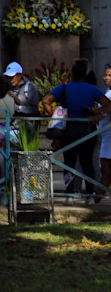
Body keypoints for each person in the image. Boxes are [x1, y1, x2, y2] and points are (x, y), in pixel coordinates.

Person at [43, 58, 111, 198]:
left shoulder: (64, 88)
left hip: (68, 130)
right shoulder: (92, 89)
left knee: (69, 163)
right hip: (87, 129)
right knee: (87, 163)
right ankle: (90, 195)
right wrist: (98, 114)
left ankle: (69, 195)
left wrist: (56, 116)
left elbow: (46, 101)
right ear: (84, 75)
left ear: (72, 74)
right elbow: (108, 104)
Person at [99, 64, 111, 204]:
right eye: (105, 75)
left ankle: (96, 199)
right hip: (105, 135)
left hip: (109, 136)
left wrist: (99, 114)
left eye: (109, 75)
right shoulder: (108, 91)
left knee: (106, 170)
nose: (106, 78)